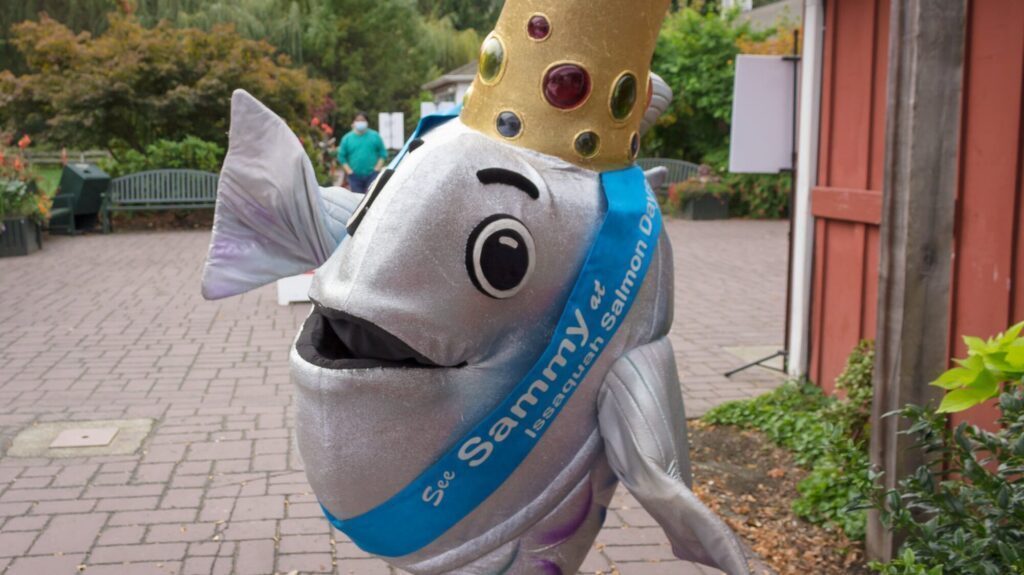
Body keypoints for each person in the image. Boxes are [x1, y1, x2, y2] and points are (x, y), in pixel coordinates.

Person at [337, 112, 388, 194]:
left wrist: (377, 169)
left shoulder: (375, 136)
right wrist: (349, 171)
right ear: (353, 123)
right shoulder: (347, 138)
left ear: (367, 122)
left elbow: (383, 154)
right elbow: (341, 157)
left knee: (372, 198)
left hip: (372, 175)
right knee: (357, 200)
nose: (360, 122)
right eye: (357, 120)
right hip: (354, 176)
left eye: (362, 120)